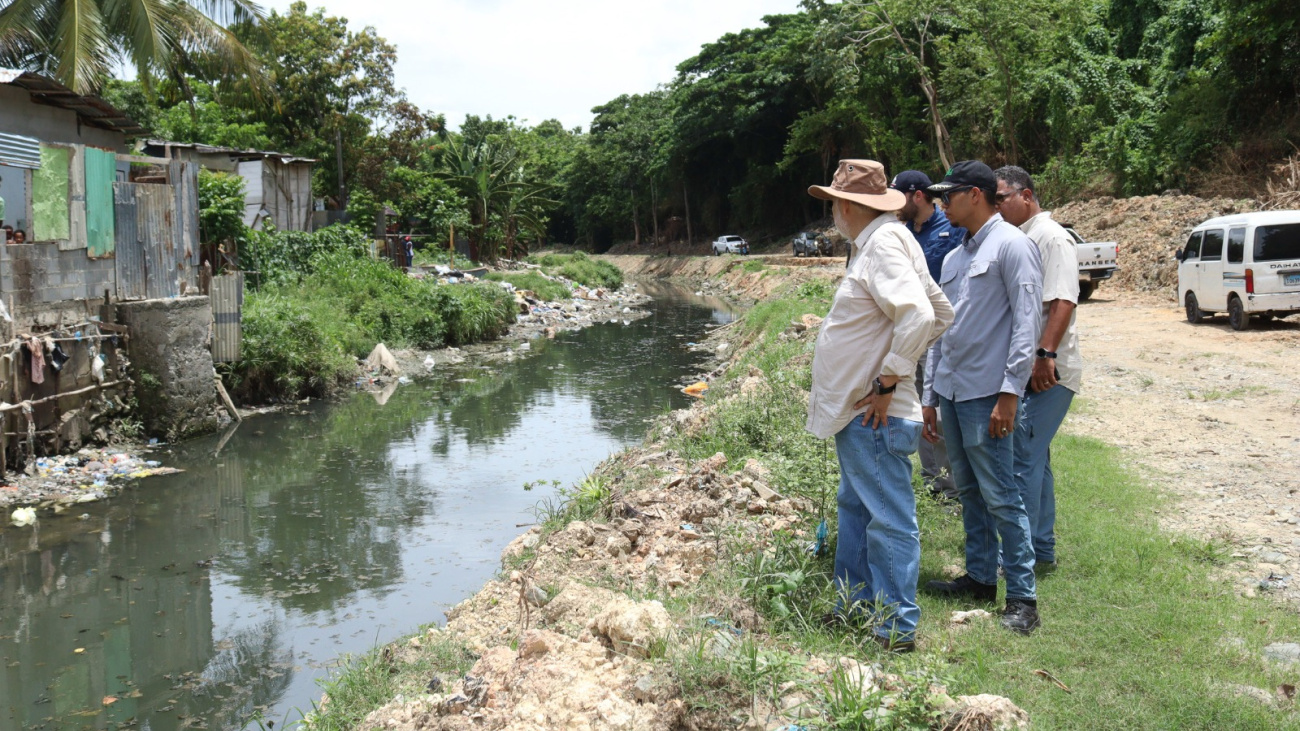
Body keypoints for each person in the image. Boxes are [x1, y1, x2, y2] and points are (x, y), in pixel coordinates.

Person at [806, 159, 954, 652]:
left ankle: (896, 628)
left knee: (888, 518)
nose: (832, 213)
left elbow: (918, 314)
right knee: (855, 507)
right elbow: (941, 311)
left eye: (833, 204)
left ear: (848, 206)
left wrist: (889, 378)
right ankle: (855, 603)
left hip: (876, 413)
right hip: (861, 412)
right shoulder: (886, 241)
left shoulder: (885, 243)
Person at [920, 160, 1044, 634]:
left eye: (947, 195)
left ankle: (1022, 598)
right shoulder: (954, 257)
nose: (941, 204)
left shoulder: (1013, 246)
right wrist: (930, 395)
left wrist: (1011, 391)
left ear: (974, 194)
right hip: (952, 391)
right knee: (968, 490)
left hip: (987, 393)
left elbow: (1026, 323)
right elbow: (942, 331)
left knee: (1001, 494)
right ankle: (978, 576)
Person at [994, 165, 1081, 569]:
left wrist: (1045, 355)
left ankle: (1018, 557)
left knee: (1023, 460)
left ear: (1026, 196)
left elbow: (1063, 300)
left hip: (1048, 369)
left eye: (1001, 198)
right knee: (1036, 458)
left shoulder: (1050, 237)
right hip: (1034, 366)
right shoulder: (1021, 237)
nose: (997, 207)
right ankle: (1041, 550)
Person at [890, 170, 964, 501]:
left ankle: (950, 488)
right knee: (914, 408)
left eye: (898, 196)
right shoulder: (901, 234)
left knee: (939, 409)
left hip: (939, 335)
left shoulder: (953, 230)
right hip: (908, 335)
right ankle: (929, 480)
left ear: (917, 195)